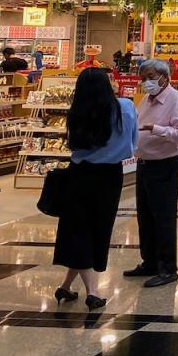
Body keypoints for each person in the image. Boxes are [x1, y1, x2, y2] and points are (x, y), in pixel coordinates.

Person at [53, 68, 137, 310]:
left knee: (79, 229)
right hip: (111, 176)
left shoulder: (78, 111)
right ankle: (91, 292)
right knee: (99, 228)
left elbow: (73, 146)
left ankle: (67, 287)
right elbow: (133, 143)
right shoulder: (126, 107)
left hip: (80, 175)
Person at [126, 59, 178, 287]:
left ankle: (168, 267)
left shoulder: (177, 100)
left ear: (164, 77)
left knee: (163, 217)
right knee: (145, 215)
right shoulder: (146, 100)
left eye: (151, 77)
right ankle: (150, 261)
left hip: (165, 164)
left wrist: (157, 129)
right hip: (145, 163)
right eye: (143, 78)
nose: (147, 82)